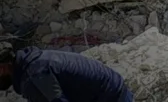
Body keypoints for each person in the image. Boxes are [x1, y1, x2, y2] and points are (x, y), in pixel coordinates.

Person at [0, 42, 134, 102]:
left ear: (2, 68)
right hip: (114, 89)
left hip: (111, 97)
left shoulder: (33, 76)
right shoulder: (34, 60)